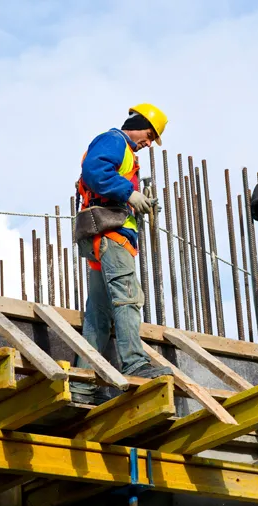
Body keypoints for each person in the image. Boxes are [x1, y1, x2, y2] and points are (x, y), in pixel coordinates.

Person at [70, 104, 172, 404]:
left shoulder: (126, 153)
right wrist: (129, 194)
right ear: (137, 124)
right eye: (149, 135)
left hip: (104, 237)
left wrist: (137, 201)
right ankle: (135, 363)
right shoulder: (115, 141)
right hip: (111, 237)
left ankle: (83, 384)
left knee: (98, 316)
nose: (149, 143)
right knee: (128, 298)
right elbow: (94, 171)